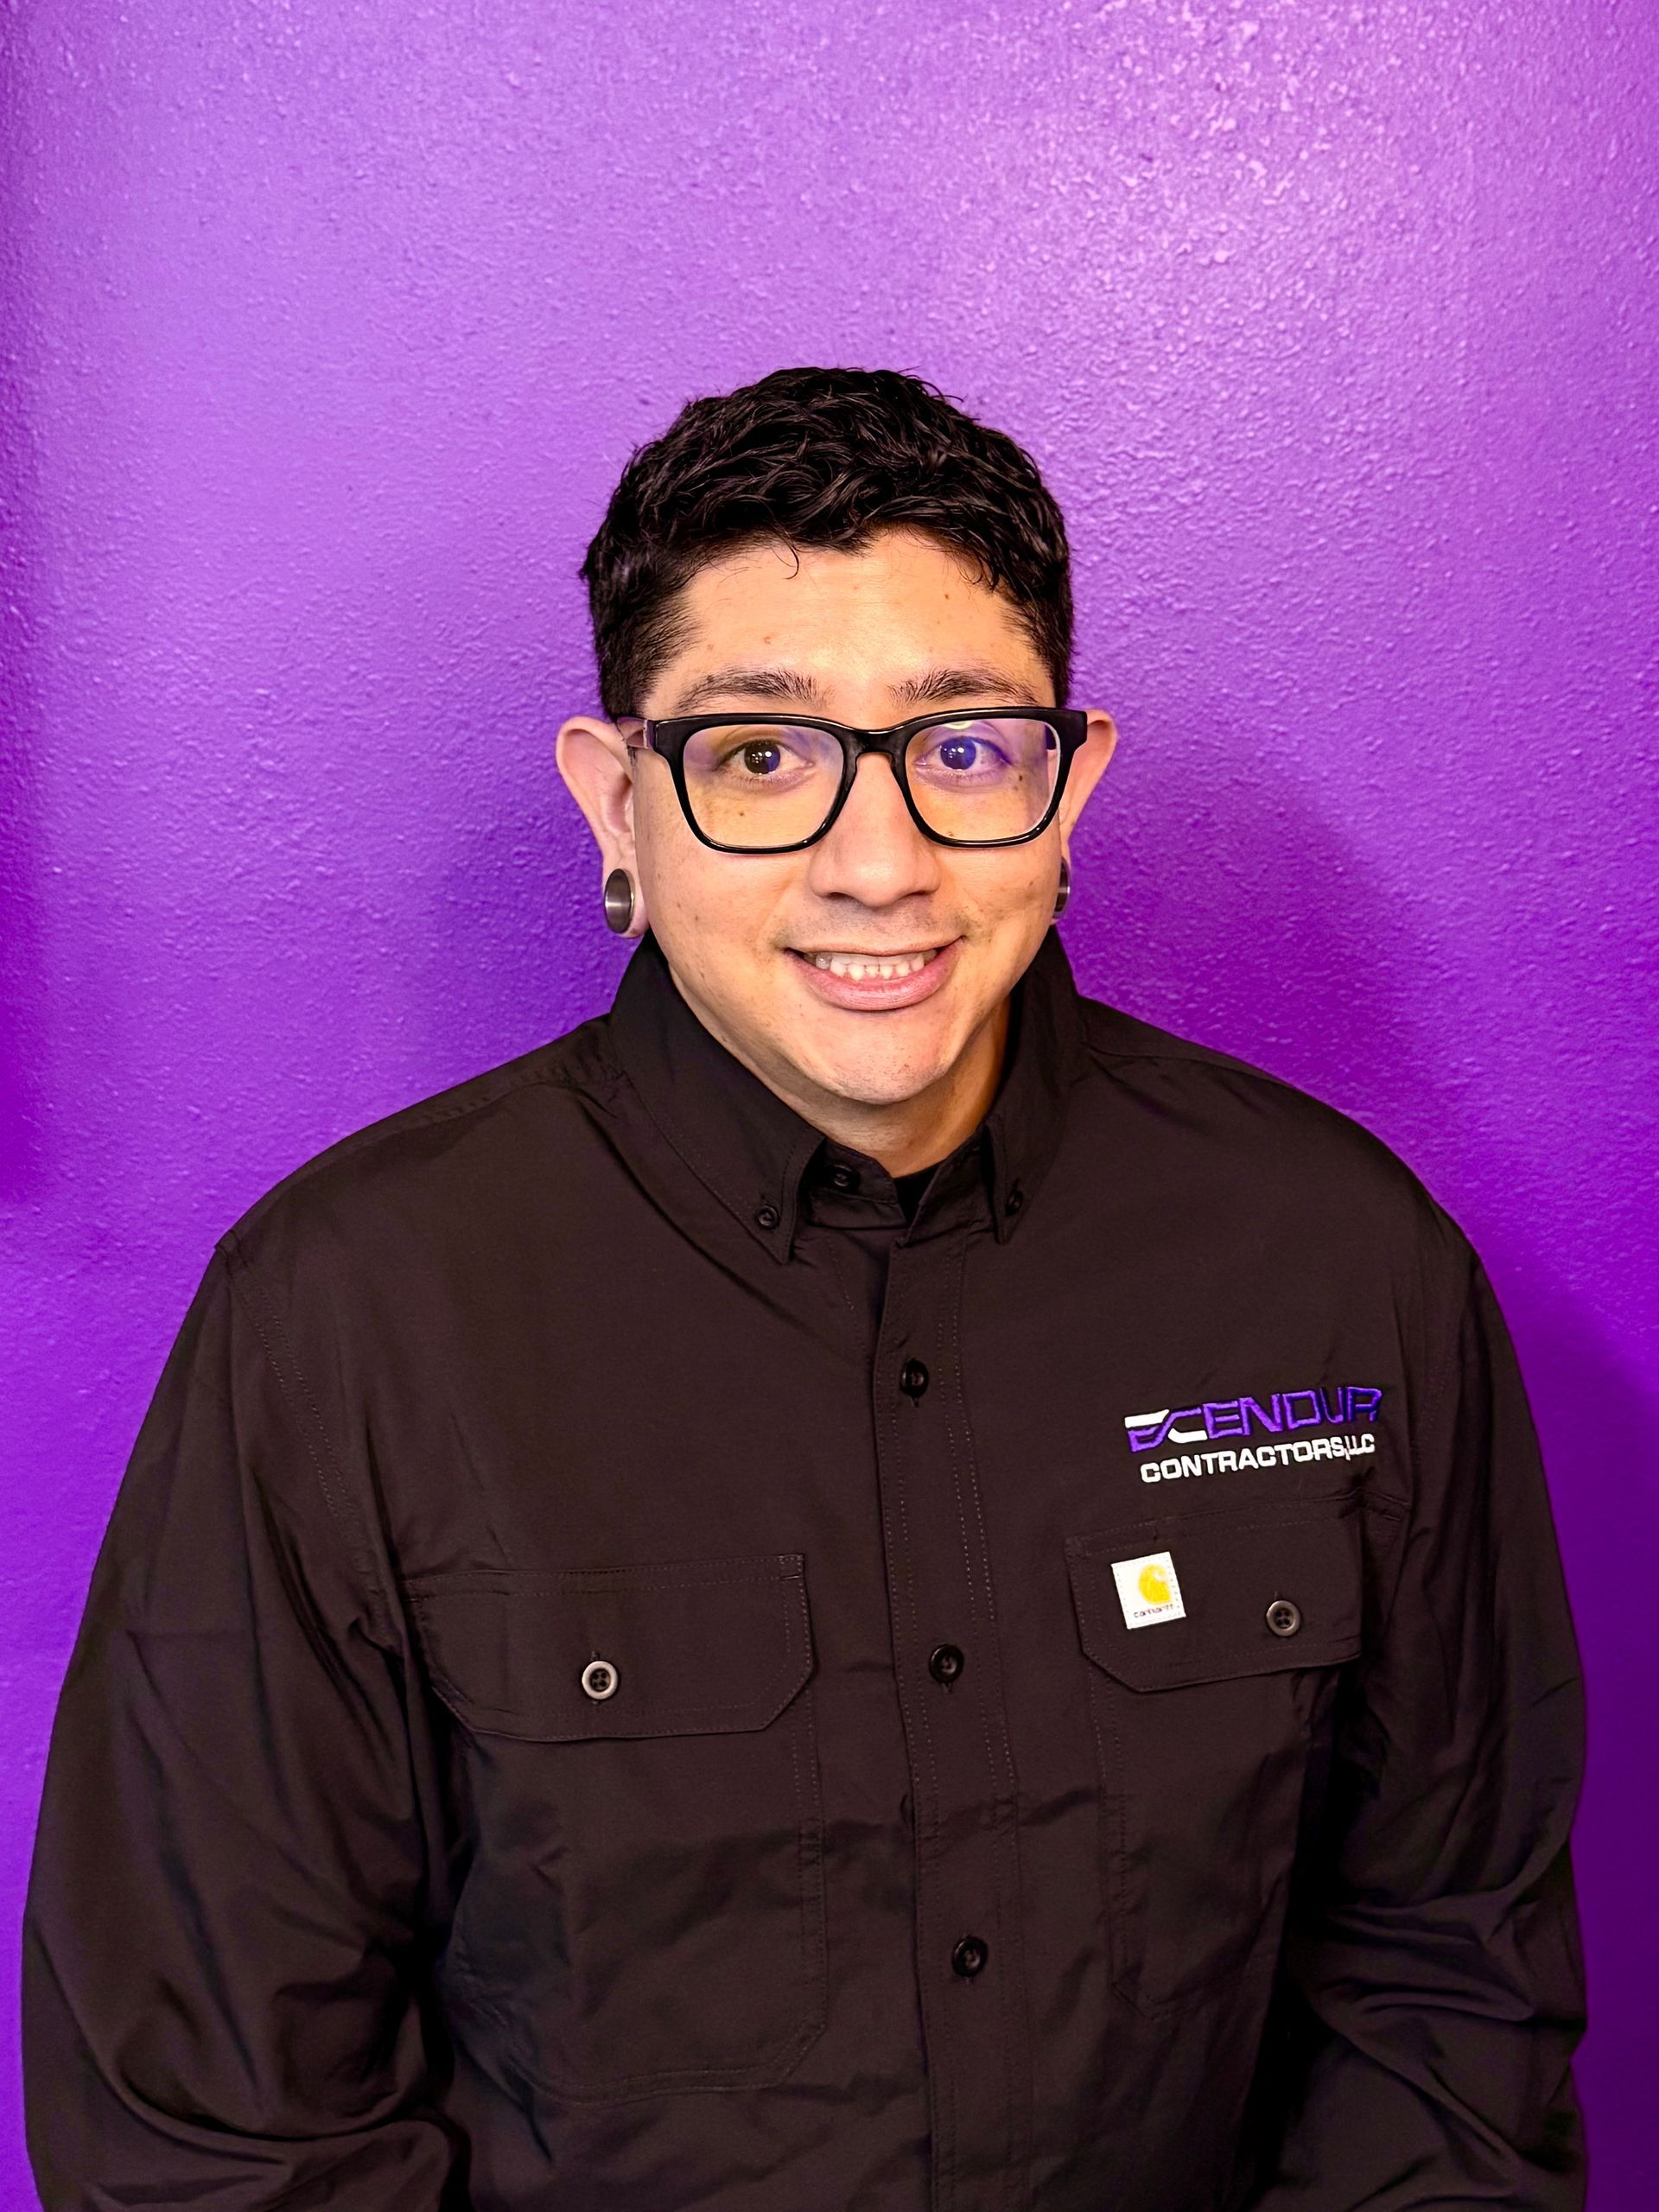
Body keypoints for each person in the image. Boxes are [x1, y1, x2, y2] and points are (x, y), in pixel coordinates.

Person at [22, 367, 1586, 2210]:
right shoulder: (348, 1317)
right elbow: (214, 2125)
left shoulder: (1342, 1264)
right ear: (619, 803)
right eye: (760, 754)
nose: (880, 861)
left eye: (963, 746)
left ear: (1069, 780)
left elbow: (1445, 1988)